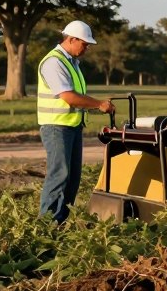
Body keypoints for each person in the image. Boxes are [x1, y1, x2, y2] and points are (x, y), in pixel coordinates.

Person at [36, 20, 116, 223]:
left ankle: (61, 222)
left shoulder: (72, 63)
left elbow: (76, 99)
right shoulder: (54, 62)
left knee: (72, 179)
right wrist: (98, 104)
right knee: (59, 176)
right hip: (57, 127)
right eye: (85, 43)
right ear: (71, 39)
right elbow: (68, 96)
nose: (87, 48)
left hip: (71, 126)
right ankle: (47, 226)